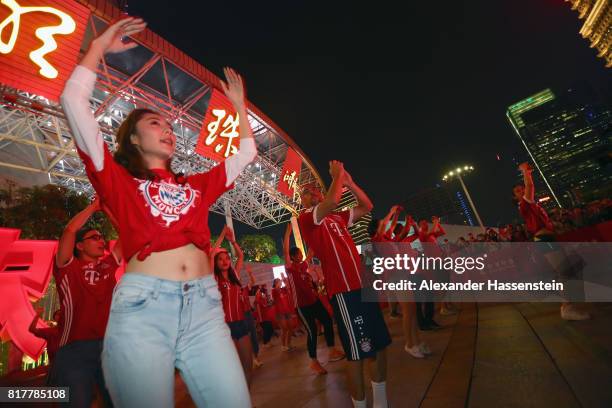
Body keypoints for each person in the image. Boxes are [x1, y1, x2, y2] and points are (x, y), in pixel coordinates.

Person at [60, 17, 257, 407]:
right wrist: (98, 47)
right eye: (155, 123)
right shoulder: (117, 180)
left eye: (169, 125)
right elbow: (72, 102)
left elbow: (247, 153)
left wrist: (238, 106)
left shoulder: (196, 186)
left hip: (205, 311)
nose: (167, 129)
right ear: (133, 138)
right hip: (143, 313)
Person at [298, 161, 390, 408]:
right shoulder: (306, 219)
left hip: (363, 288)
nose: (312, 192)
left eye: (313, 188)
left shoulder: (337, 218)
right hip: (345, 294)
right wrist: (337, 176)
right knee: (358, 355)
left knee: (379, 347)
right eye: (305, 192)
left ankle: (381, 404)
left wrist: (349, 183)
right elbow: (332, 201)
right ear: (303, 202)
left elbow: (367, 206)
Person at [53, 198, 120, 407]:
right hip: (74, 350)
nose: (101, 241)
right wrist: (94, 206)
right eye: (94, 237)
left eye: (102, 237)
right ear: (79, 246)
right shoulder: (67, 267)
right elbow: (70, 231)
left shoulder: (108, 266)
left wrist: (107, 209)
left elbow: (128, 234)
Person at [513, 162, 589, 321]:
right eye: (519, 191)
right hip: (543, 240)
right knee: (565, 270)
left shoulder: (533, 205)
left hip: (548, 238)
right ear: (516, 197)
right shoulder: (524, 206)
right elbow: (530, 186)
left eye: (522, 188)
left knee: (568, 269)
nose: (523, 190)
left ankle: (567, 305)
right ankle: (567, 307)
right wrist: (526, 172)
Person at [283, 223, 345, 375]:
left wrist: (314, 232)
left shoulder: (303, 267)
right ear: (292, 257)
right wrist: (288, 233)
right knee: (312, 331)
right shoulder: (290, 269)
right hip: (303, 306)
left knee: (327, 321)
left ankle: (332, 350)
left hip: (314, 301)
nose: (300, 255)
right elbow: (285, 250)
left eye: (300, 253)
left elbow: (310, 252)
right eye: (297, 254)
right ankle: (313, 362)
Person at [213, 226, 254, 388]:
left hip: (241, 323)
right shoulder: (214, 278)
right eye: (220, 259)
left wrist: (233, 241)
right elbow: (211, 254)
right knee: (233, 369)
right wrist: (222, 234)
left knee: (248, 365)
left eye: (227, 258)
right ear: (216, 263)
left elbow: (241, 255)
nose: (225, 261)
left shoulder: (235, 276)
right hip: (225, 327)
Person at [28, 309, 62, 384]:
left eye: (61, 314)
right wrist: (37, 316)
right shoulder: (50, 331)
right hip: (54, 365)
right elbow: (32, 329)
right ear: (55, 318)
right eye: (57, 314)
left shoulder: (71, 330)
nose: (59, 316)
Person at [272, 277, 295, 351]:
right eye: (279, 281)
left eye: (280, 281)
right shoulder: (274, 290)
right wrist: (280, 282)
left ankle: (289, 344)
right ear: (275, 283)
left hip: (287, 311)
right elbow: (277, 290)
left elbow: (288, 285)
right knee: (284, 329)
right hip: (280, 313)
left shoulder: (283, 289)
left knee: (291, 327)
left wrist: (284, 279)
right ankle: (283, 345)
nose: (280, 282)